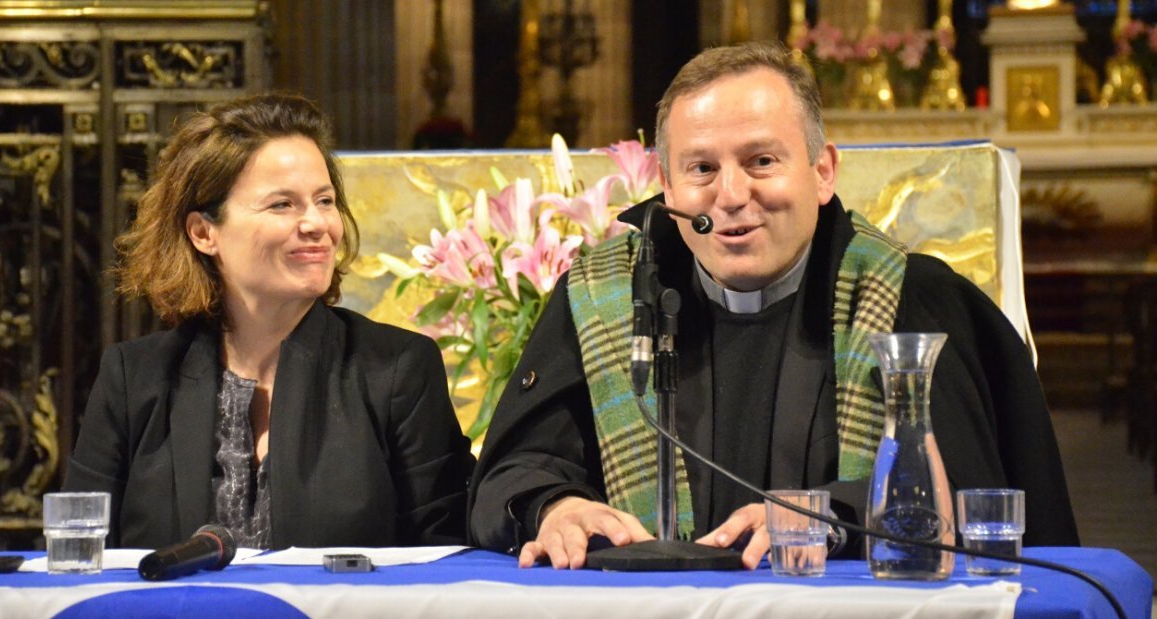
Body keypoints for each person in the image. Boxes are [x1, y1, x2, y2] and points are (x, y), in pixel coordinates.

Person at [468, 41, 1079, 569]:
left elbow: (969, 501)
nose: (732, 195)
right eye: (702, 168)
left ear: (822, 171)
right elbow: (511, 475)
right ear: (669, 186)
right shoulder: (603, 300)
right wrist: (555, 507)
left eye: (761, 161)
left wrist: (825, 518)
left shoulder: (914, 299)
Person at [64, 94, 474, 549]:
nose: (316, 224)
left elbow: (448, 561)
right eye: (283, 205)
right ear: (203, 232)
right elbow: (79, 554)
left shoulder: (398, 369)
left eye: (324, 200)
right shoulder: (133, 379)